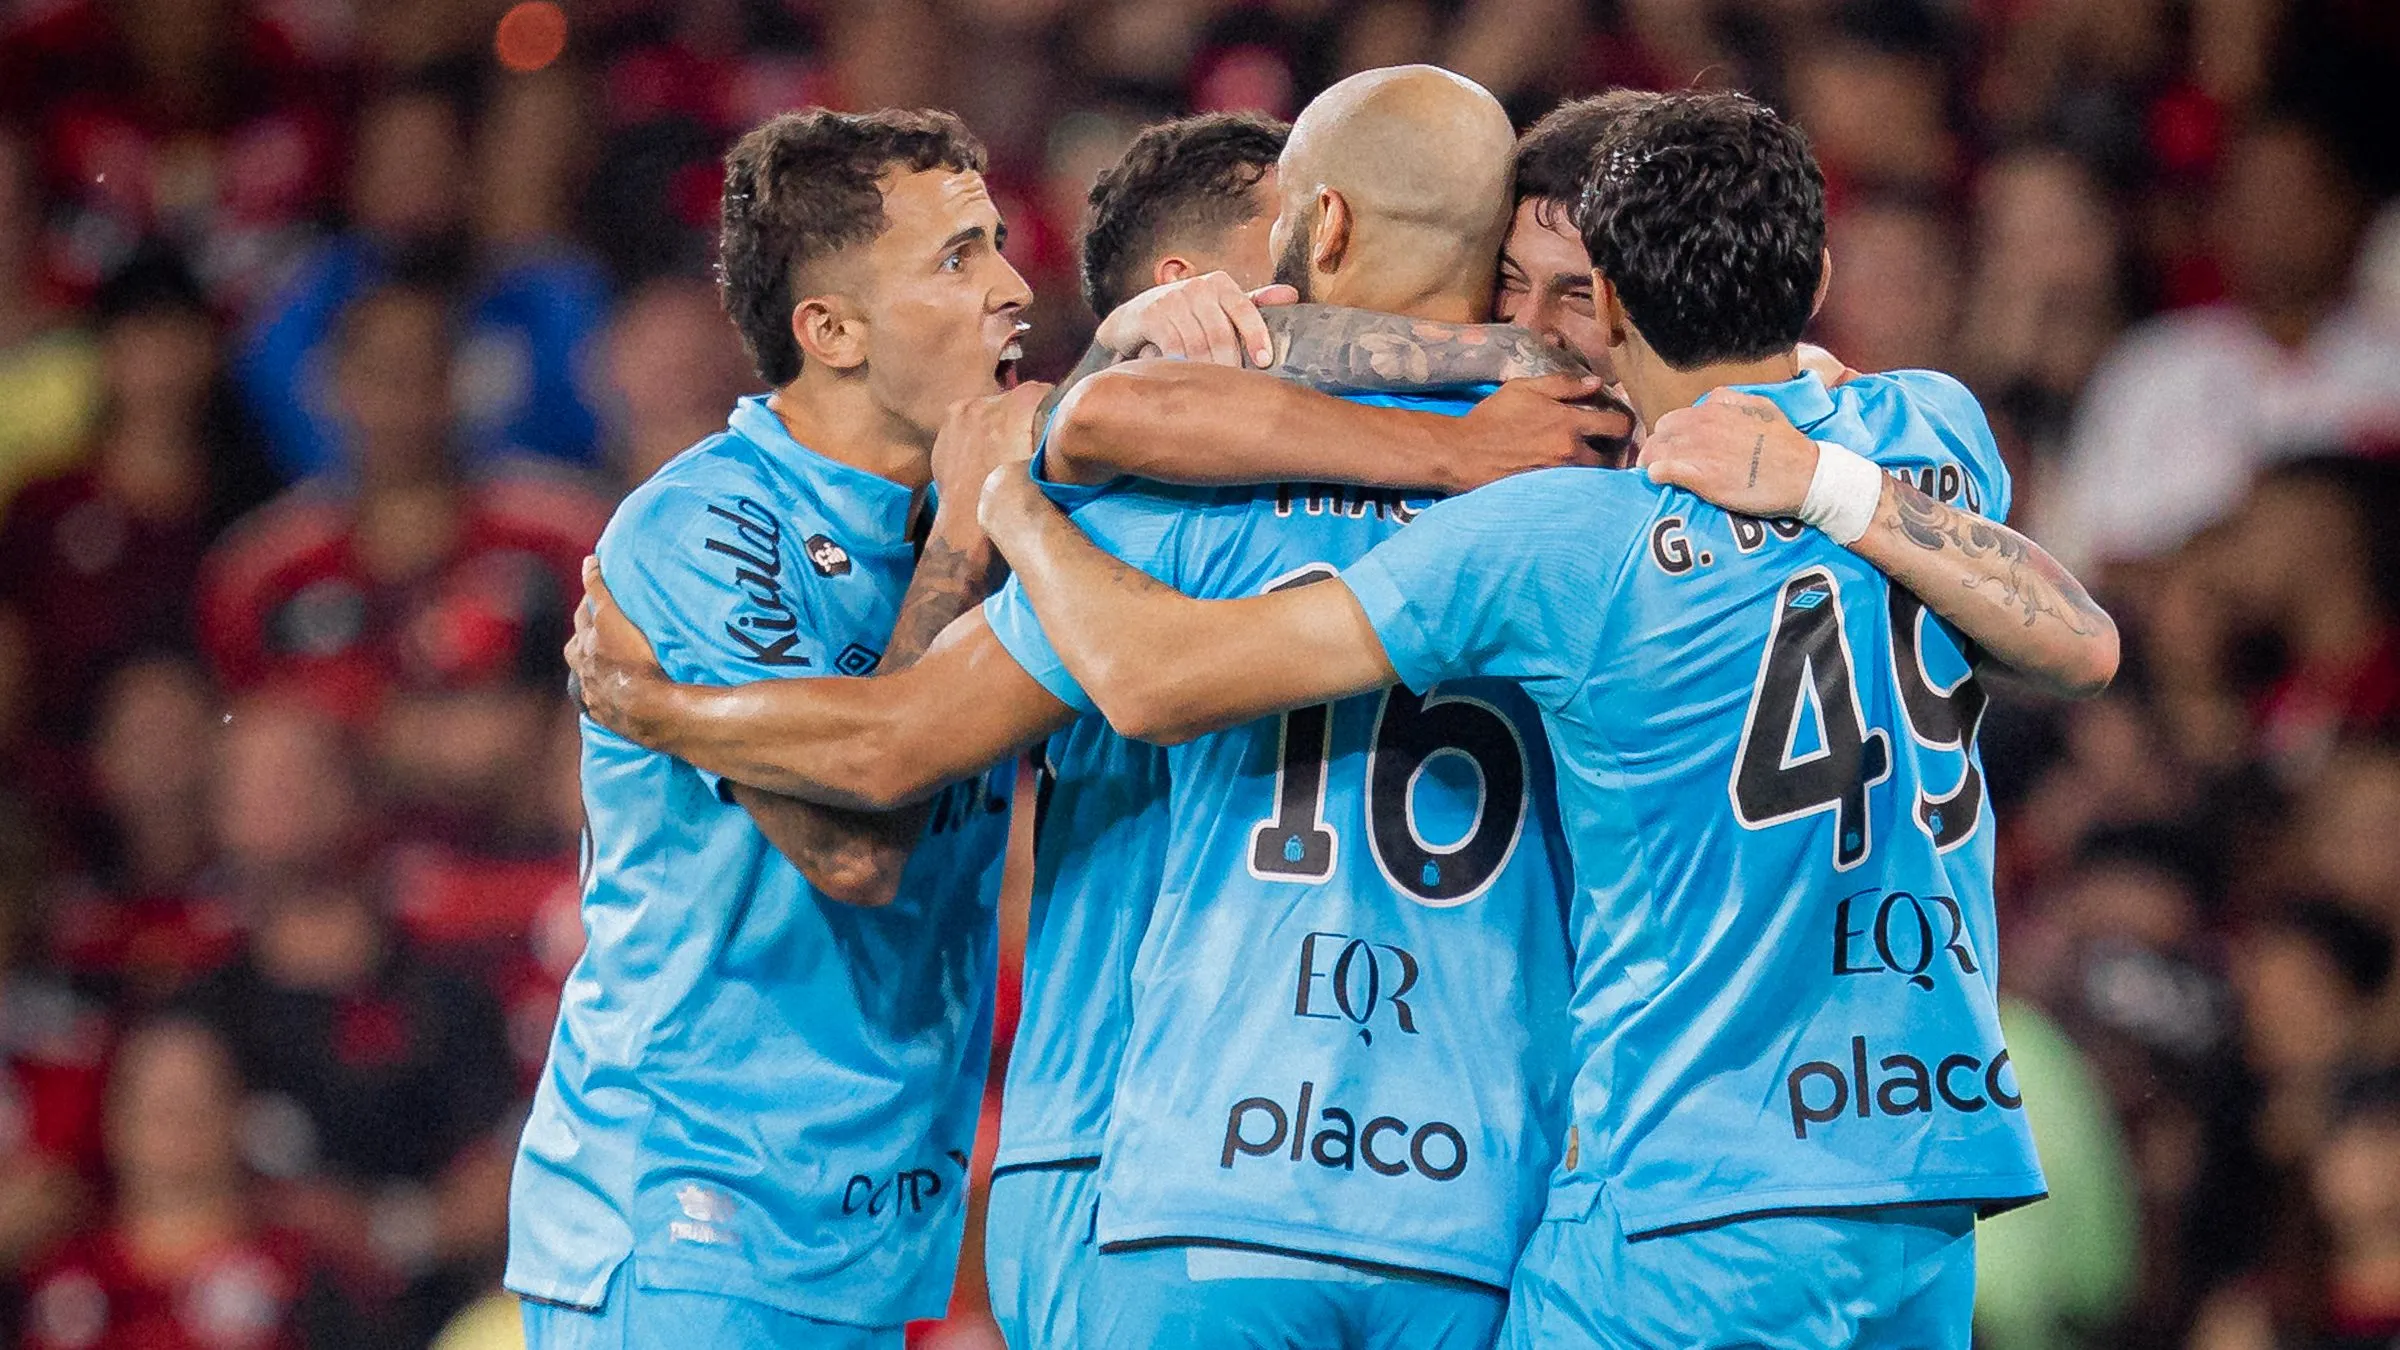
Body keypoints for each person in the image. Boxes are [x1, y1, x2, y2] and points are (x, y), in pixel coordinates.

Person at [970, 90, 2117, 1347]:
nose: (1522, 330)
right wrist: (1827, 479)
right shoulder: (1928, 432)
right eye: (1504, 286)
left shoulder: (1560, 534)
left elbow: (1154, 675)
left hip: (1681, 1194)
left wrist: (1017, 503)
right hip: (1923, 1173)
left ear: (1617, 304)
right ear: (1818, 275)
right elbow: (2082, 644)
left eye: (1559, 294)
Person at [506, 107, 1032, 1350]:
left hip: (859, 1228)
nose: (1013, 287)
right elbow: (854, 850)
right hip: (686, 1212)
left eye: (1001, 243)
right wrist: (964, 537)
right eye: (959, 258)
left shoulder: (998, 509)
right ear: (830, 330)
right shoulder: (707, 525)